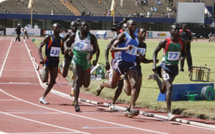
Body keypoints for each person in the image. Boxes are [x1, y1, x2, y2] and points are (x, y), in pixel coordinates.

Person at [96, 20, 140, 117]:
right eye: (131, 25)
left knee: (134, 84)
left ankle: (132, 109)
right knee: (113, 85)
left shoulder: (137, 38)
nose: (133, 26)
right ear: (127, 26)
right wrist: (125, 49)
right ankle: (102, 84)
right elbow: (112, 48)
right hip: (120, 63)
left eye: (135, 25)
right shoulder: (123, 36)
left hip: (130, 64)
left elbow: (134, 51)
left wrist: (139, 54)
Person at [148, 24, 186, 120]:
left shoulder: (182, 42)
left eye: (177, 30)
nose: (176, 31)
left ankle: (156, 77)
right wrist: (153, 65)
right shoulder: (165, 41)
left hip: (174, 68)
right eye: (174, 29)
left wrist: (182, 59)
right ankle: (169, 113)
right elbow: (155, 52)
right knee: (170, 86)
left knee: (163, 90)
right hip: (165, 67)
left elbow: (184, 54)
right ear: (170, 31)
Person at [65, 21, 99, 112]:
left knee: (82, 83)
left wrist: (92, 53)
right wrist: (67, 49)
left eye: (87, 26)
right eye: (83, 25)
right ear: (79, 26)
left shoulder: (91, 37)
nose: (85, 27)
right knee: (77, 79)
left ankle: (74, 90)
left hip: (86, 61)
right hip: (76, 59)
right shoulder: (74, 35)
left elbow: (96, 48)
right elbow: (66, 43)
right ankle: (76, 103)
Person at [38, 23, 64, 105]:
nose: (58, 29)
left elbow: (63, 51)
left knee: (52, 81)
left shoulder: (61, 39)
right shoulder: (49, 37)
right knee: (45, 79)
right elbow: (40, 46)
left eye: (59, 28)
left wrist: (68, 51)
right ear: (53, 29)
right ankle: (41, 71)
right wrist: (40, 58)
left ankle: (43, 97)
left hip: (55, 62)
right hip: (48, 60)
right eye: (56, 28)